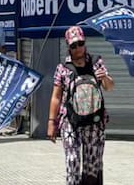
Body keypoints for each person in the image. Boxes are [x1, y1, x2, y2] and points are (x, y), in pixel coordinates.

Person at [48, 26, 114, 185]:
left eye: (80, 43)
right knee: (73, 162)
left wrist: (104, 77)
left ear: (85, 42)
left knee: (92, 165)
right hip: (70, 122)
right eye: (73, 45)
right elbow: (56, 97)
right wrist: (52, 122)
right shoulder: (62, 68)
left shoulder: (96, 62)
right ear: (68, 46)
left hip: (95, 122)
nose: (78, 48)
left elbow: (109, 87)